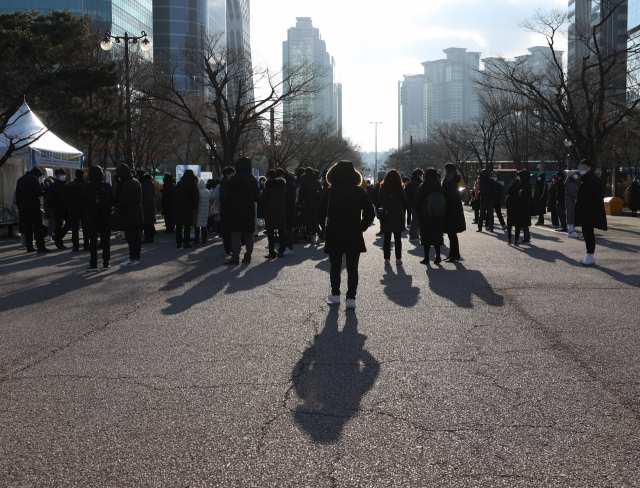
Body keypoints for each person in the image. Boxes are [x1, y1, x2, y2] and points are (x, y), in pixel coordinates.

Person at [317, 160, 375, 309]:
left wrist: (323, 228)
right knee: (352, 267)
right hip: (353, 231)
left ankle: (335, 294)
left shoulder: (330, 192)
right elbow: (370, 213)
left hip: (334, 231)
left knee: (335, 266)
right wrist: (361, 227)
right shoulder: (359, 191)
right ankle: (351, 298)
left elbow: (319, 213)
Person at [223, 157, 260, 264]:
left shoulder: (235, 178)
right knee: (248, 233)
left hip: (236, 210)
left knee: (236, 234)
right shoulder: (252, 179)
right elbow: (257, 195)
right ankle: (248, 256)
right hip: (249, 210)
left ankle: (235, 257)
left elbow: (227, 188)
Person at [575, 159, 607, 266]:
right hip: (587, 212)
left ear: (589, 168)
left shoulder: (593, 179)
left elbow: (595, 196)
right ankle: (589, 256)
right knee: (586, 233)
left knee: (588, 234)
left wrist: (582, 201)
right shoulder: (587, 179)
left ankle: (590, 256)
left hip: (590, 212)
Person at [83, 165, 115, 271]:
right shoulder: (106, 186)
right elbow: (113, 200)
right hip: (105, 217)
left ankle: (93, 264)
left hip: (92, 217)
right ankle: (106, 263)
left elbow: (83, 201)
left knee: (93, 241)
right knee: (106, 241)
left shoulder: (87, 186)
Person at [115, 164, 143, 266]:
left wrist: (119, 208)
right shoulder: (136, 182)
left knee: (131, 238)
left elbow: (125, 201)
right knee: (137, 236)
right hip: (138, 212)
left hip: (129, 214)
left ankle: (132, 258)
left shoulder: (126, 184)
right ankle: (136, 257)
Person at [16, 166, 50, 253]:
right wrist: (44, 191)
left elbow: (17, 195)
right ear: (37, 174)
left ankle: (29, 247)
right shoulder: (33, 179)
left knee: (27, 227)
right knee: (38, 227)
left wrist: (19, 207)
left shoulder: (20, 179)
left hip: (23, 208)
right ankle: (40, 247)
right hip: (33, 207)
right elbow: (38, 192)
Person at [415, 168, 445, 265]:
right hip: (439, 215)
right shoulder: (439, 186)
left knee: (426, 237)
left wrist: (419, 213)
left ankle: (427, 258)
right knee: (437, 236)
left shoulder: (423, 187)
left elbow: (417, 202)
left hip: (426, 216)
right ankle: (438, 256)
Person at [378, 169, 407, 265]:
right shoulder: (400, 189)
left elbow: (380, 199)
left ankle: (387, 259)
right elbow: (404, 201)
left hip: (386, 215)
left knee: (387, 239)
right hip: (397, 214)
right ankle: (398, 259)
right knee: (397, 239)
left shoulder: (383, 188)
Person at [258, 169, 288, 258]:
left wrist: (262, 212)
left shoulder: (267, 187)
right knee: (282, 232)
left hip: (270, 212)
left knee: (270, 233)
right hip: (281, 211)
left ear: (268, 177)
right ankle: (281, 251)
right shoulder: (283, 187)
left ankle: (272, 252)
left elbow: (261, 200)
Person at [441, 163, 466, 262]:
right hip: (454, 209)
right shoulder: (453, 179)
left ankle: (455, 254)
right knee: (452, 234)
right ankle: (452, 253)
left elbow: (448, 196)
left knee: (452, 233)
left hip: (451, 210)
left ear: (447, 170)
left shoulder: (450, 180)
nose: (444, 171)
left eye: (445, 169)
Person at [173, 169, 199, 249]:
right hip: (188, 208)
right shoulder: (193, 185)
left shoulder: (179, 184)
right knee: (187, 226)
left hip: (178, 208)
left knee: (179, 226)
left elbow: (174, 196)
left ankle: (178, 243)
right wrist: (193, 206)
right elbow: (196, 198)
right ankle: (186, 243)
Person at [64, 169, 88, 252]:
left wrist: (68, 207)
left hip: (74, 208)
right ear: (83, 175)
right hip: (85, 208)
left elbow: (66, 199)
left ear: (75, 175)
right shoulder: (86, 185)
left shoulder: (70, 185)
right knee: (86, 227)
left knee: (74, 228)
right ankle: (86, 245)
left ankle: (75, 246)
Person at [298, 167, 323, 244]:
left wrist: (299, 202)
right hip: (317, 203)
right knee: (314, 219)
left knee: (309, 220)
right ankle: (315, 235)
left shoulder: (304, 181)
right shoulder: (317, 181)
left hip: (307, 202)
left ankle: (317, 234)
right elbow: (321, 193)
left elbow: (301, 193)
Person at [49, 168, 71, 249]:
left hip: (65, 208)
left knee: (69, 223)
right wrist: (52, 207)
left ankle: (58, 238)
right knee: (58, 225)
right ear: (57, 176)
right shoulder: (54, 186)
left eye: (63, 175)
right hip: (57, 208)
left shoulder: (66, 185)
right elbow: (50, 198)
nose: (63, 176)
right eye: (61, 175)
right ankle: (59, 243)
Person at [276, 168, 296, 255]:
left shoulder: (288, 184)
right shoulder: (289, 183)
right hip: (287, 209)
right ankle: (286, 247)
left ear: (282, 176)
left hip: (288, 209)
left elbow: (290, 198)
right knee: (286, 229)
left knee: (288, 229)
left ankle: (289, 247)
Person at [217, 166, 236, 256]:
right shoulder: (224, 185)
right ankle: (227, 250)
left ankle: (232, 249)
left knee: (232, 232)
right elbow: (223, 200)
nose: (234, 176)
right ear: (227, 175)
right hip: (227, 212)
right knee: (227, 233)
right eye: (232, 174)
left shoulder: (230, 184)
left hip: (229, 211)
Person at [405, 168, 423, 242]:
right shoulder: (415, 183)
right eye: (421, 175)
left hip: (411, 204)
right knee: (415, 220)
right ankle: (412, 236)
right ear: (418, 175)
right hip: (414, 204)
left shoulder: (412, 182)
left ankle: (415, 235)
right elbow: (415, 194)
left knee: (415, 220)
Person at [505, 178, 524, 245]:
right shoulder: (519, 197)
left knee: (509, 227)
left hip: (510, 214)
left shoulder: (508, 197)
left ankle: (509, 239)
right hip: (518, 214)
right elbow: (522, 205)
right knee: (517, 228)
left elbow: (506, 206)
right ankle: (516, 240)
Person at [193, 178, 211, 245]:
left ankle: (197, 241)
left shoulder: (198, 192)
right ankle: (204, 241)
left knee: (197, 227)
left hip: (198, 211)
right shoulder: (207, 191)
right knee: (204, 227)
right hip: (205, 211)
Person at [140, 174, 156, 243]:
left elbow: (141, 194)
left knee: (145, 222)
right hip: (151, 204)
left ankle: (147, 237)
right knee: (151, 223)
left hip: (144, 204)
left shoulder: (142, 184)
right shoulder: (152, 184)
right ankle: (151, 237)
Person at [518, 170, 533, 243]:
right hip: (526, 207)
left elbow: (524, 197)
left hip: (525, 207)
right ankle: (527, 237)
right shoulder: (527, 184)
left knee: (524, 223)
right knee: (525, 223)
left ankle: (526, 239)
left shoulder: (525, 186)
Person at [565, 171, 580, 238]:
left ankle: (572, 231)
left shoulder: (572, 182)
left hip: (571, 201)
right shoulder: (570, 183)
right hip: (570, 201)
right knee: (570, 215)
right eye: (574, 174)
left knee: (572, 215)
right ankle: (571, 232)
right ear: (571, 175)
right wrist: (579, 196)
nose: (575, 175)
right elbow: (573, 193)